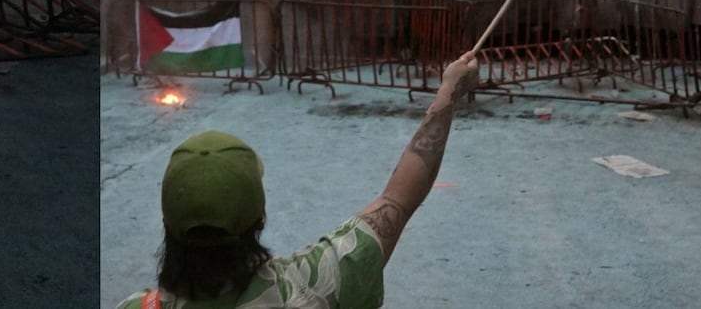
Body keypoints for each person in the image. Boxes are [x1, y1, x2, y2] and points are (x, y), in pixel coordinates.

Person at [117, 51, 481, 308]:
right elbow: (400, 198)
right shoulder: (314, 283)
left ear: (167, 224)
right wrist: (449, 91)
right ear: (260, 219)